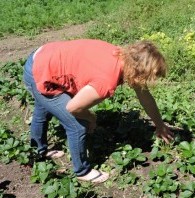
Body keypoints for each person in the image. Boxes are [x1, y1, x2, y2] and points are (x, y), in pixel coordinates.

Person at [23, 39, 173, 183]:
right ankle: (82, 171)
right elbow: (73, 107)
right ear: (138, 71)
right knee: (77, 124)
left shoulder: (121, 56)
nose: (144, 83)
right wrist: (91, 118)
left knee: (44, 108)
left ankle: (39, 150)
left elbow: (144, 96)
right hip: (39, 71)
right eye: (145, 78)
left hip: (42, 57)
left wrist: (159, 125)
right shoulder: (106, 80)